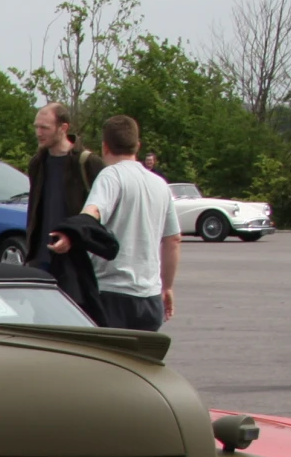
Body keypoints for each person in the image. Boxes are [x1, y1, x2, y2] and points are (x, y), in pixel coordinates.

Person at [46, 114, 178, 330]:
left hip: (113, 294)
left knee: (107, 361)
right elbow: (173, 239)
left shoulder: (111, 176)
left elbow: (94, 211)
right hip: (150, 297)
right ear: (138, 146)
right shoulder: (160, 184)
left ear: (105, 146)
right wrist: (168, 286)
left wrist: (71, 232)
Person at [23, 104, 100, 268]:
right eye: (36, 127)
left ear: (63, 128)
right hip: (40, 257)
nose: (38, 133)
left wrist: (75, 237)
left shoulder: (87, 163)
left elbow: (102, 211)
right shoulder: (38, 163)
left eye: (44, 128)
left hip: (76, 260)